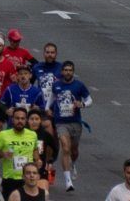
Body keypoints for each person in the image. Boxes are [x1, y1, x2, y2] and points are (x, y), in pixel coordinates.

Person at [46, 64, 90, 192]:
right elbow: (51, 97)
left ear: (73, 72)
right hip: (60, 122)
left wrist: (82, 104)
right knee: (65, 147)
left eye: (70, 70)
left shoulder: (79, 85)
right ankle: (68, 181)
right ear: (62, 72)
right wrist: (47, 108)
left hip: (75, 122)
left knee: (73, 150)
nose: (67, 72)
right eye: (65, 70)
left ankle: (73, 163)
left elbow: (89, 100)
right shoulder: (57, 85)